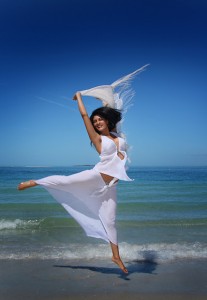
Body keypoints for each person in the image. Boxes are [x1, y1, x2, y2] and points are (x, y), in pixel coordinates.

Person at [18, 91, 133, 274]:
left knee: (110, 221)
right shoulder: (98, 139)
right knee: (66, 181)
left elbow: (114, 117)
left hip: (110, 186)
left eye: (100, 119)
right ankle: (35, 182)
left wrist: (106, 103)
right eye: (95, 121)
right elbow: (84, 115)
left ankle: (116, 256)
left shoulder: (117, 136)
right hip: (96, 175)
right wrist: (79, 97)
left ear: (107, 120)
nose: (97, 122)